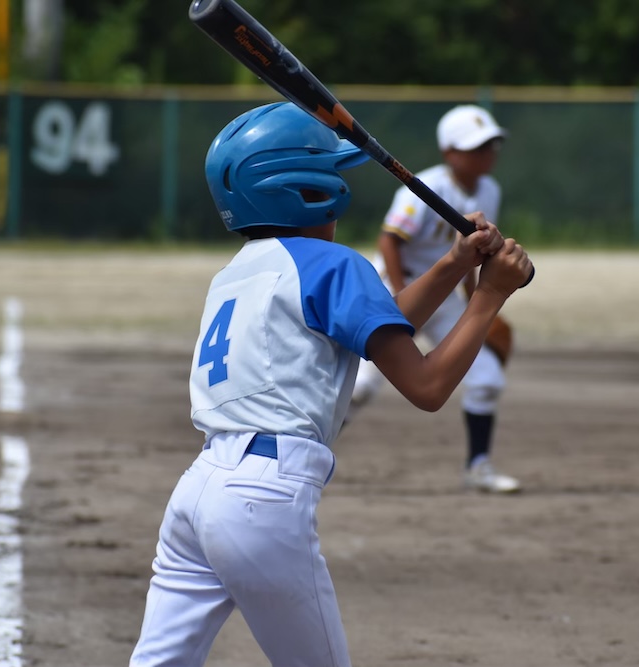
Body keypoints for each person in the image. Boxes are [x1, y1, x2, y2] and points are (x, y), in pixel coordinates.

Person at [129, 101, 531, 667]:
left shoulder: (238, 272)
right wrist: (490, 295)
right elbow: (427, 386)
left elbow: (377, 324)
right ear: (312, 190)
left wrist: (456, 262)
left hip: (197, 492)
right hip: (263, 499)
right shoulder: (334, 265)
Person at [349, 104, 521, 494]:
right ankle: (314, 451)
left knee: (487, 379)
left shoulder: (490, 190)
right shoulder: (425, 187)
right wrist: (402, 299)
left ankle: (478, 467)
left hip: (446, 294)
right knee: (359, 388)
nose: (487, 154)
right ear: (449, 152)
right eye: (476, 147)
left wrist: (476, 303)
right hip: (397, 290)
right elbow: (389, 242)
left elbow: (473, 253)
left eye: (491, 145)